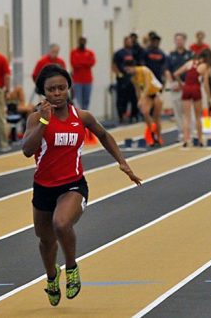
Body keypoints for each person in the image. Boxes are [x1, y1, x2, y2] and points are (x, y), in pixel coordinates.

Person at [22, 65, 141, 307]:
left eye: (61, 88)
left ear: (68, 89)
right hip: (44, 188)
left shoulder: (82, 116)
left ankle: (72, 267)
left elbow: (104, 135)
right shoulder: (36, 118)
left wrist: (122, 163)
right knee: (45, 240)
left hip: (73, 185)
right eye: (51, 89)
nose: (57, 93)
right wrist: (44, 121)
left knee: (61, 223)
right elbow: (27, 150)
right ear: (43, 92)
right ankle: (52, 276)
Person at [174, 49, 211, 147]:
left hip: (186, 88)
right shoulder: (205, 66)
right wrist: (210, 97)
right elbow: (205, 84)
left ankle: (185, 140)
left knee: (186, 117)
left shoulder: (190, 62)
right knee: (198, 117)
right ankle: (200, 140)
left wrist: (181, 84)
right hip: (196, 88)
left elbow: (176, 74)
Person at [125, 60, 163, 146]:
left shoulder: (144, 70)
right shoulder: (133, 78)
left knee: (156, 116)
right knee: (145, 112)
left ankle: (159, 136)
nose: (127, 72)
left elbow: (148, 85)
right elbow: (137, 90)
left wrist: (142, 98)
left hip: (156, 92)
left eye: (128, 69)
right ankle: (152, 132)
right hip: (147, 95)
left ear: (133, 67)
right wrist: (139, 100)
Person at [165, 33, 194, 142]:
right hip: (175, 86)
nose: (179, 42)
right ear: (174, 41)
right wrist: (172, 83)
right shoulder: (171, 55)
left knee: (187, 111)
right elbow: (167, 70)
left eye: (181, 40)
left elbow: (192, 70)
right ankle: (181, 132)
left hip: (187, 85)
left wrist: (184, 84)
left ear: (184, 41)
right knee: (177, 111)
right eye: (177, 40)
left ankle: (190, 132)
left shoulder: (190, 54)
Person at [112, 36, 139, 123]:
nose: (130, 43)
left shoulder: (134, 52)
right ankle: (121, 115)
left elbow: (137, 65)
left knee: (133, 98)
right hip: (122, 79)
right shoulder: (119, 53)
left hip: (132, 79)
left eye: (131, 41)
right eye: (128, 41)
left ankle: (133, 115)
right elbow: (114, 65)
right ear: (124, 42)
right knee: (122, 99)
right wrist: (118, 74)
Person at [70, 36, 96, 110]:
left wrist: (81, 63)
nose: (82, 43)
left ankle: (85, 116)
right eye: (81, 41)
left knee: (86, 100)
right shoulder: (74, 52)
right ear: (78, 42)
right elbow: (74, 64)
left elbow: (92, 62)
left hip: (88, 80)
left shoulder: (90, 53)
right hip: (77, 80)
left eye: (83, 41)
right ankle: (79, 116)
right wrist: (85, 63)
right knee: (78, 101)